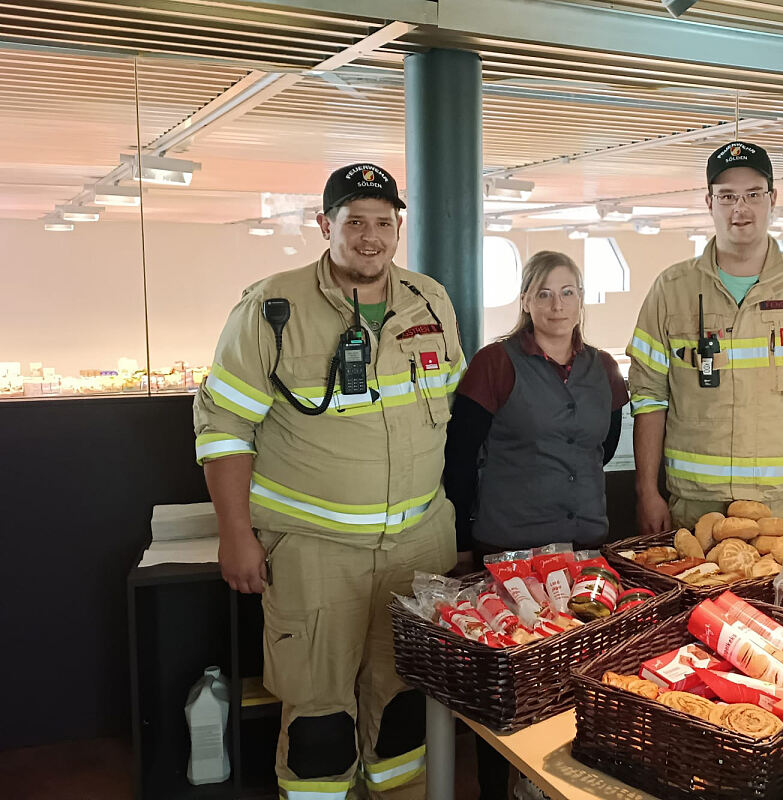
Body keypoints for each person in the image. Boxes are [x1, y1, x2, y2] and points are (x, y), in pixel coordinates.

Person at [194, 162, 464, 800]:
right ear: (325, 225)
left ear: (398, 227)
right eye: (354, 222)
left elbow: (446, 414)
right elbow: (224, 426)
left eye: (383, 222)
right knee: (318, 715)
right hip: (315, 551)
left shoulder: (430, 300)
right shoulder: (272, 307)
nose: (370, 237)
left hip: (415, 546)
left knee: (403, 702)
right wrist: (236, 535)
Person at [443, 250, 628, 800]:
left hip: (584, 544)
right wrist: (460, 542)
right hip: (510, 546)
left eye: (567, 291)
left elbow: (604, 444)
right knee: (507, 684)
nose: (556, 304)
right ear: (524, 300)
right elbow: (459, 458)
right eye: (543, 293)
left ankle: (561, 785)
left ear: (581, 299)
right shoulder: (496, 363)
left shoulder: (603, 368)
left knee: (579, 674)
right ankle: (499, 788)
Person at [626, 141, 783, 540]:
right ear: (709, 202)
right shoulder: (671, 290)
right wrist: (646, 491)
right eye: (728, 196)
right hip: (697, 512)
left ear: (773, 199)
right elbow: (648, 398)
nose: (741, 208)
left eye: (754, 194)